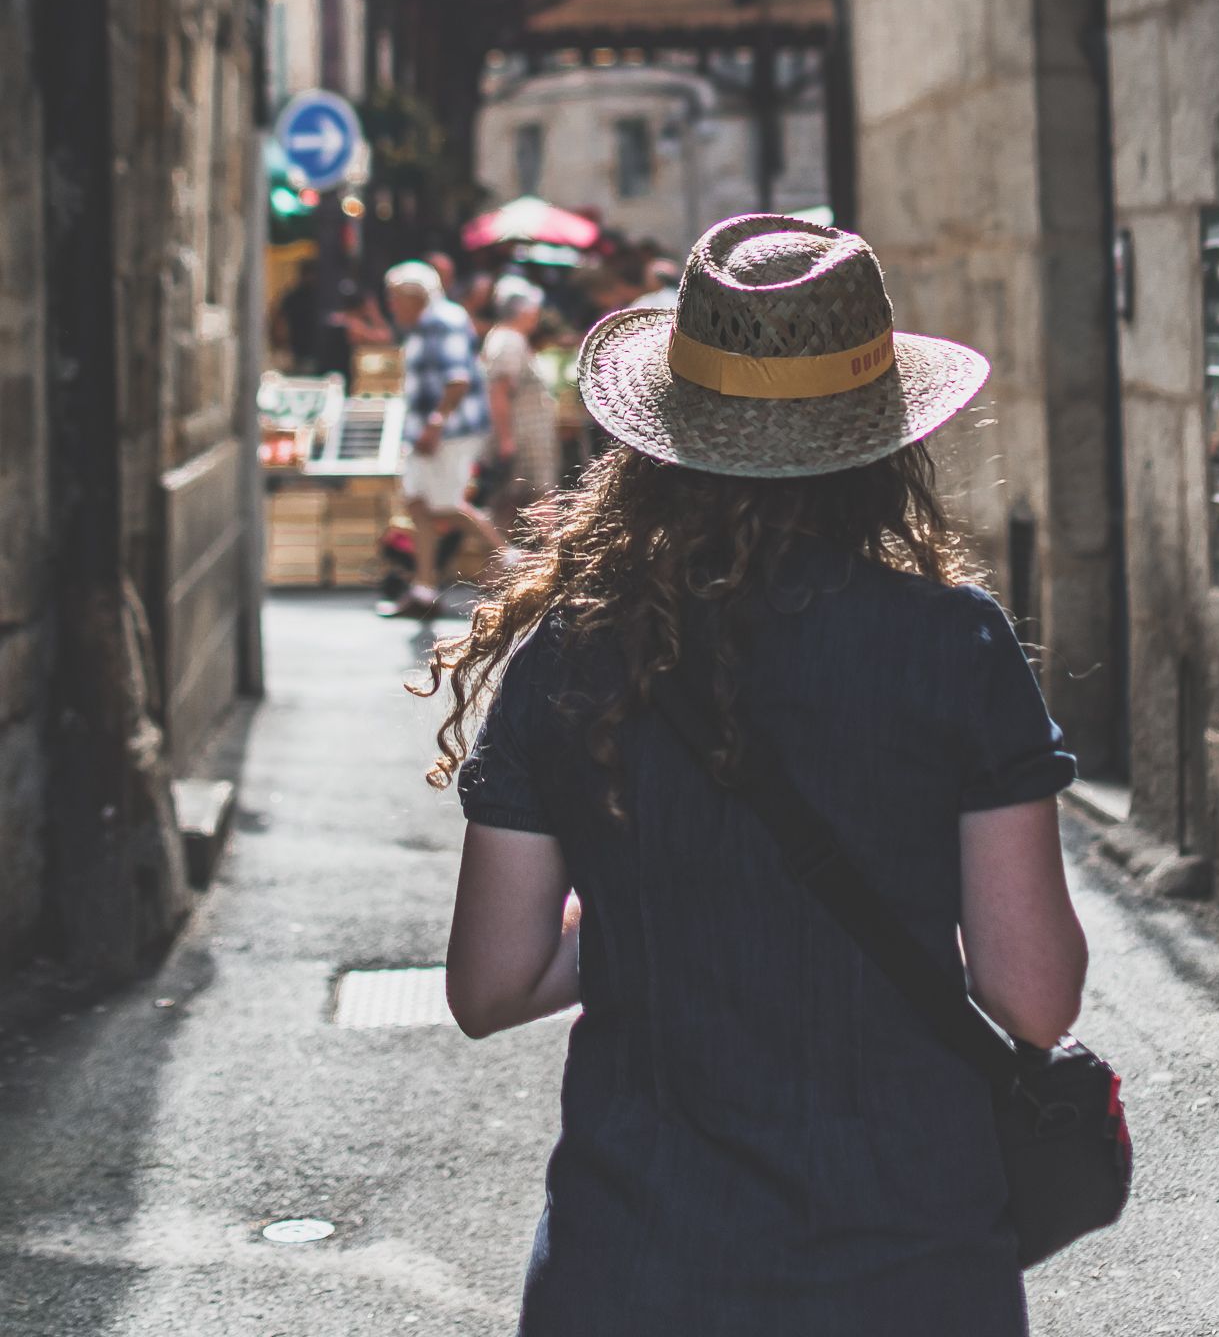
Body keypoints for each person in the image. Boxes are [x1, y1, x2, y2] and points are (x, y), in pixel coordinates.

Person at [423, 214, 1087, 1335]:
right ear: (885, 441)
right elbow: (1033, 994)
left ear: (663, 438)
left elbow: (489, 985)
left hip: (638, 1266)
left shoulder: (573, 655)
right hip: (908, 1262)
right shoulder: (953, 646)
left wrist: (649, 911)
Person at [381, 261, 494, 621]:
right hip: (428, 433)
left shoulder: (440, 321)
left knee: (444, 506)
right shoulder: (424, 324)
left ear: (415, 297)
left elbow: (457, 379)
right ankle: (424, 588)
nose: (392, 306)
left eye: (396, 298)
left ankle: (511, 559)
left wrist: (435, 422)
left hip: (446, 433)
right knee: (418, 503)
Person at [479, 275, 561, 535]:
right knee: (537, 500)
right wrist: (506, 440)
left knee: (511, 505)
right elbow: (499, 392)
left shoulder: (508, 339)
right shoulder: (508, 341)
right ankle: (552, 564)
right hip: (522, 438)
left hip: (523, 437)